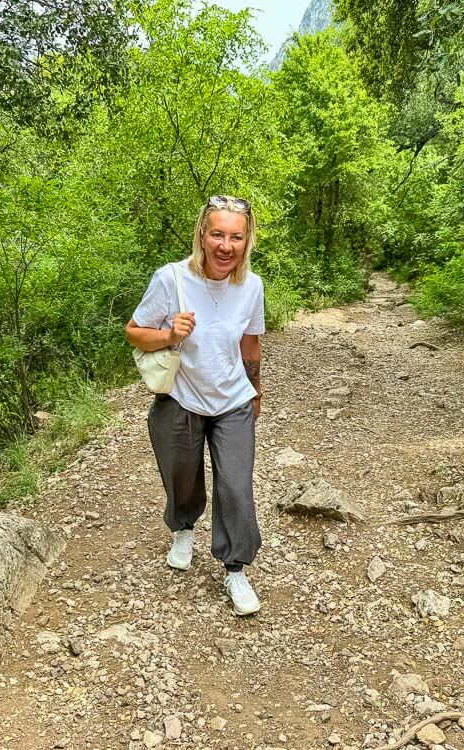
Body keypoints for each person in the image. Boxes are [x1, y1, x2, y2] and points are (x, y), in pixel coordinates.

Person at [125, 195, 265, 616]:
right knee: (181, 476)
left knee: (236, 487)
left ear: (247, 241)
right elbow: (134, 333)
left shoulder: (251, 286)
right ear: (202, 235)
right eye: (218, 234)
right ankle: (182, 529)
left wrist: (256, 389)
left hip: (233, 402)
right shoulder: (172, 279)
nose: (226, 245)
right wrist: (169, 335)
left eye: (236, 237)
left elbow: (250, 342)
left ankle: (236, 567)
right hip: (180, 400)